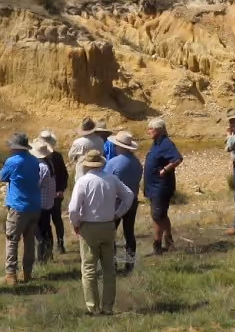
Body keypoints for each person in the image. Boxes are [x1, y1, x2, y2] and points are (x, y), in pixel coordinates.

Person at [68, 149, 135, 316]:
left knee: (89, 268)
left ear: (86, 165)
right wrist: (117, 213)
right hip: (108, 225)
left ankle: (92, 307)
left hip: (89, 226)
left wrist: (75, 224)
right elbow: (128, 195)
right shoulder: (111, 179)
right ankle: (107, 307)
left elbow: (73, 208)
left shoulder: (83, 182)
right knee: (109, 268)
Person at [0, 132, 43, 286]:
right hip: (35, 206)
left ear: (15, 148)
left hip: (18, 207)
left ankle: (11, 275)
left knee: (12, 240)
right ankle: (27, 273)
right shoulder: (35, 161)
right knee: (29, 241)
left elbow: (3, 177)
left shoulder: (12, 161)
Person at [103, 131, 144, 272]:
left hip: (116, 202)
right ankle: (129, 264)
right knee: (129, 233)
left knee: (110, 233)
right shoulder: (137, 163)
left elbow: (105, 181)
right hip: (132, 200)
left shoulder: (113, 162)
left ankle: (112, 264)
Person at [143, 118, 184, 253]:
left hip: (161, 186)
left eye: (151, 129)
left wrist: (165, 170)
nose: (148, 131)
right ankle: (168, 242)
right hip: (153, 186)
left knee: (157, 215)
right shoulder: (156, 143)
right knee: (160, 214)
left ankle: (158, 244)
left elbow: (178, 158)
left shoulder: (166, 143)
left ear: (159, 130)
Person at [38, 130, 69, 255]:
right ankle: (59, 245)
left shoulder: (41, 159)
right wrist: (61, 189)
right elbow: (64, 175)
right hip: (55, 193)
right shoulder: (57, 156)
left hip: (47, 195)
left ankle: (51, 248)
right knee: (56, 220)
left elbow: (63, 175)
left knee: (48, 221)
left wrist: (60, 190)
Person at [30, 139, 57, 265]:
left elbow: (37, 185)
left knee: (40, 233)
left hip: (40, 203)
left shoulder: (41, 167)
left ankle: (41, 259)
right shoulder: (49, 164)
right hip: (48, 202)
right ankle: (48, 255)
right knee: (46, 229)